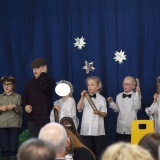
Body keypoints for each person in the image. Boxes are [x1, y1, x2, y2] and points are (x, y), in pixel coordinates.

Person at [22, 58, 54, 137]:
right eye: (34, 68)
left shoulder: (50, 81)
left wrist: (43, 74)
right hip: (33, 118)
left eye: (38, 68)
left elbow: (44, 88)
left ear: (44, 68)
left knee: (45, 141)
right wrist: (25, 106)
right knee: (34, 142)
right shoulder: (29, 83)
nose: (35, 70)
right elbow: (23, 98)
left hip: (45, 118)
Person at [77, 76, 107, 160]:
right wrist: (82, 97)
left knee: (99, 152)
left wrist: (99, 112)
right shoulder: (85, 97)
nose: (89, 87)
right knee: (87, 151)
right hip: (86, 130)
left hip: (98, 130)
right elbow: (79, 108)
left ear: (98, 86)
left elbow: (104, 114)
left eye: (92, 85)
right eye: (88, 85)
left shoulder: (101, 99)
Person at [107, 76, 141, 142]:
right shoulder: (119, 96)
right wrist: (111, 102)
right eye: (124, 84)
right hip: (120, 127)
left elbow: (137, 107)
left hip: (131, 127)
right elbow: (117, 110)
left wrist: (137, 93)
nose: (125, 85)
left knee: (131, 148)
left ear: (133, 86)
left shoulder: (136, 96)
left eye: (128, 84)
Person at [0, 76, 22, 160]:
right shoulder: (0, 97)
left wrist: (15, 106)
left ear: (13, 86)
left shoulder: (18, 97)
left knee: (13, 146)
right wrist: (0, 108)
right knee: (4, 146)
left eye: (9, 84)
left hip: (14, 125)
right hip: (2, 125)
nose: (6, 87)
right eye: (4, 84)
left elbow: (21, 111)